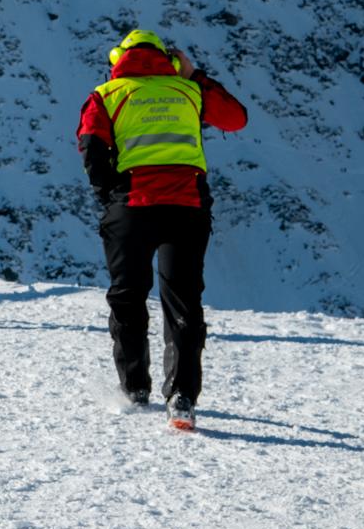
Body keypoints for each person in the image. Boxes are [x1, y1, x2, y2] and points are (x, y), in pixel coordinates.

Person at [78, 29, 249, 428]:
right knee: (183, 300)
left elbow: (90, 145)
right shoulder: (188, 90)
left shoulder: (107, 94)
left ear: (118, 59)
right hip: (186, 205)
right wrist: (194, 75)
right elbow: (236, 119)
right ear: (168, 58)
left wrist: (109, 194)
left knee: (127, 296)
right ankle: (182, 398)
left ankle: (135, 387)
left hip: (132, 204)